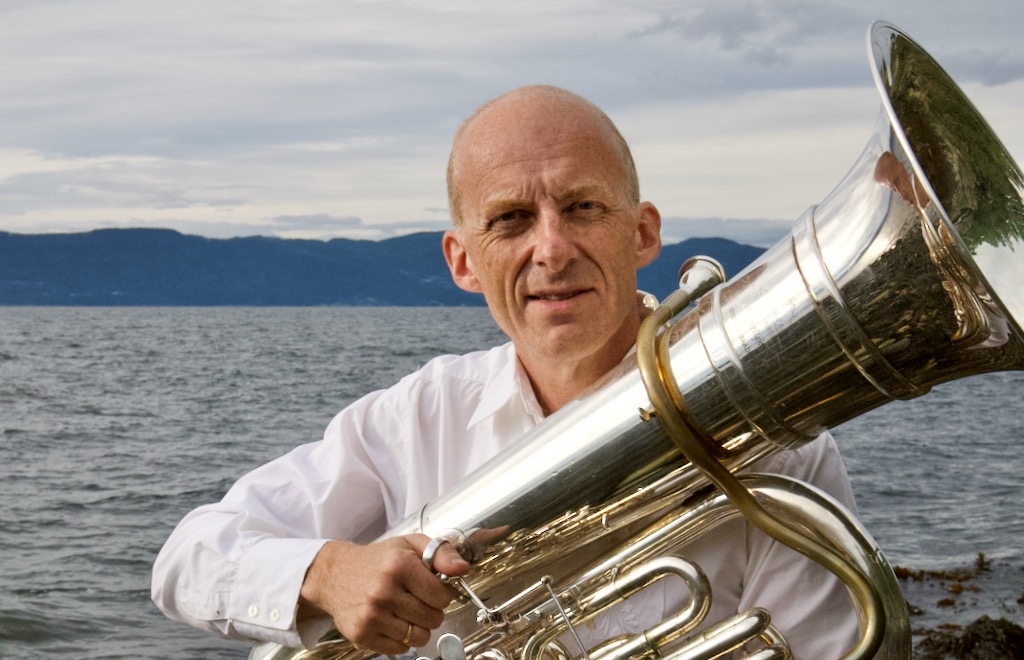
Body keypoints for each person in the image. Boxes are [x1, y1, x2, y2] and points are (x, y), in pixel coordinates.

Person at [152, 85, 860, 657]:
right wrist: (329, 574)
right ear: (463, 261)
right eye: (512, 220)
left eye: (582, 207)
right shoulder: (418, 416)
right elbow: (188, 559)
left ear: (641, 233)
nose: (551, 249)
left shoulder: (783, 448)